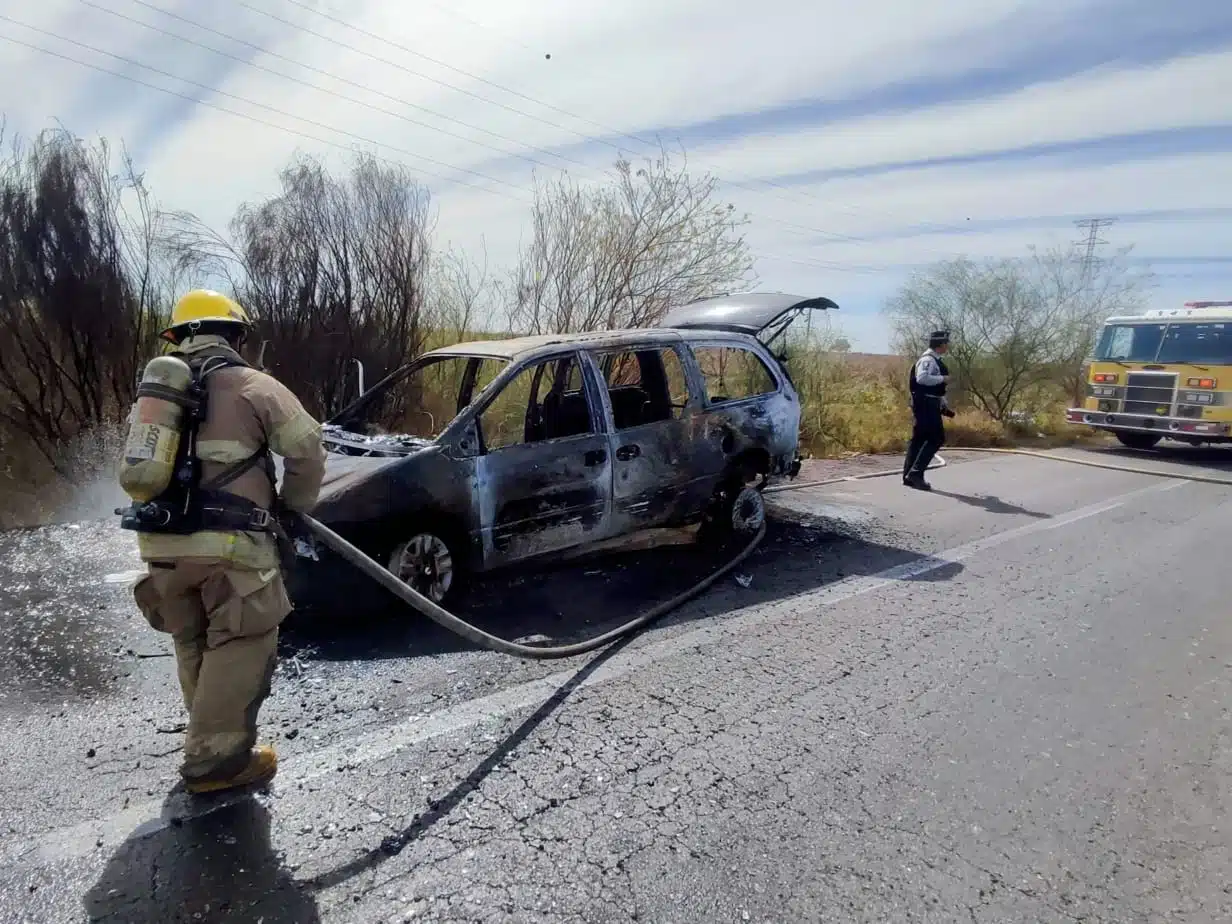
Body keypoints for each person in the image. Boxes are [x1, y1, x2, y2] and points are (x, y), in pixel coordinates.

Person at [125, 289, 326, 795]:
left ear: (178, 338)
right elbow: (308, 449)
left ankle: (207, 737)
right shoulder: (254, 386)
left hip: (161, 547)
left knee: (192, 639)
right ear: (235, 334)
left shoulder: (155, 399)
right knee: (239, 640)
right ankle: (215, 762)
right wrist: (294, 507)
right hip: (229, 548)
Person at [903, 329, 956, 490]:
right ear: (941, 344)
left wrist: (943, 405)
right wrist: (943, 378)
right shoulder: (928, 360)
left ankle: (909, 476)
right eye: (946, 343)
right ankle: (916, 473)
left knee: (919, 439)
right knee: (936, 438)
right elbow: (922, 378)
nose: (948, 346)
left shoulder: (934, 360)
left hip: (928, 403)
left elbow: (936, 390)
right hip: (925, 404)